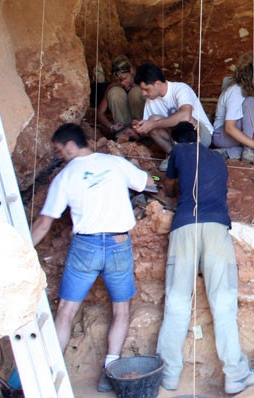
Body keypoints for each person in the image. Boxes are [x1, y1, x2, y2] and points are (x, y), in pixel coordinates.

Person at [31, 123, 152, 393]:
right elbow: (148, 182)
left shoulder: (65, 177)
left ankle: (52, 375)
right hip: (119, 243)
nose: (59, 155)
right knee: (121, 310)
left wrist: (23, 248)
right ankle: (109, 373)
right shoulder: (114, 163)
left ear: (71, 145)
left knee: (66, 311)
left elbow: (44, 222)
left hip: (85, 246)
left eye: (59, 149)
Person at [156, 122, 254, 394]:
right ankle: (236, 375)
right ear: (198, 138)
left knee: (177, 301)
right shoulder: (217, 157)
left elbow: (169, 184)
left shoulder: (179, 152)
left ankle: (168, 375)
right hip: (217, 228)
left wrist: (169, 196)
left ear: (177, 141)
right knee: (224, 302)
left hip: (184, 227)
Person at [132, 63, 214, 171]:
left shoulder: (180, 88)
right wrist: (140, 128)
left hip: (201, 136)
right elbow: (150, 127)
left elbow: (185, 116)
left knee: (187, 121)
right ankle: (175, 156)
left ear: (157, 84)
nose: (143, 93)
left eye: (146, 89)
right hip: (177, 139)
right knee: (152, 121)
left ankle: (193, 157)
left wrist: (153, 124)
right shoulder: (150, 100)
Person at [212, 52, 254, 166]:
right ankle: (249, 151)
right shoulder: (235, 92)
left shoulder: (244, 87)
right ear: (251, 76)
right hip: (221, 134)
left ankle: (227, 152)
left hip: (237, 130)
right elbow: (229, 128)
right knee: (251, 102)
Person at [96, 55, 144, 139]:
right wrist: (111, 127)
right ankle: (123, 134)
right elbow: (100, 113)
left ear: (131, 71)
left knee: (135, 92)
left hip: (142, 127)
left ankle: (141, 133)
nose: (122, 83)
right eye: (119, 80)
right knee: (114, 92)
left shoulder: (142, 82)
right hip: (124, 129)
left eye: (125, 78)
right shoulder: (115, 85)